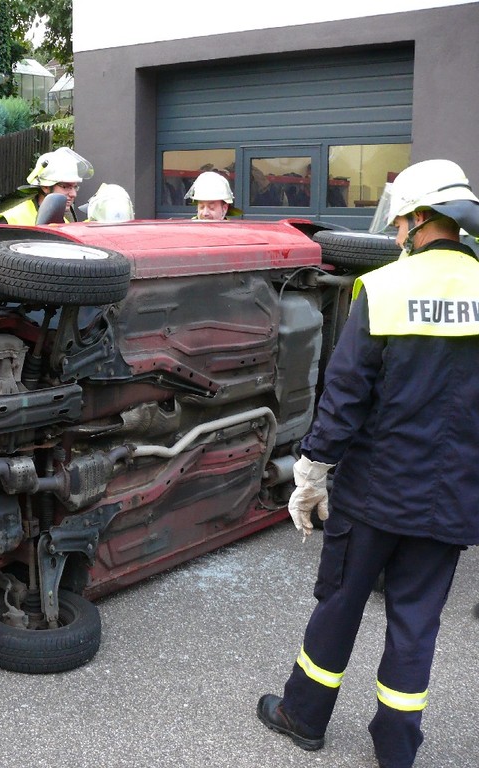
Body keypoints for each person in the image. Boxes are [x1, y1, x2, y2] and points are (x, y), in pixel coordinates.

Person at [257, 159, 479, 768]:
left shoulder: (382, 288)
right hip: (453, 499)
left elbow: (345, 395)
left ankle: (302, 716)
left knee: (341, 601)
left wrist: (311, 471)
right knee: (416, 621)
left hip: (375, 494)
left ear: (416, 219)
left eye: (402, 218)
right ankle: (396, 749)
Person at [0, 147, 93, 225]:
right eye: (65, 186)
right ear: (45, 186)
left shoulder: (63, 222)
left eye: (75, 187)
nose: (73, 194)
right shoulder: (12, 220)